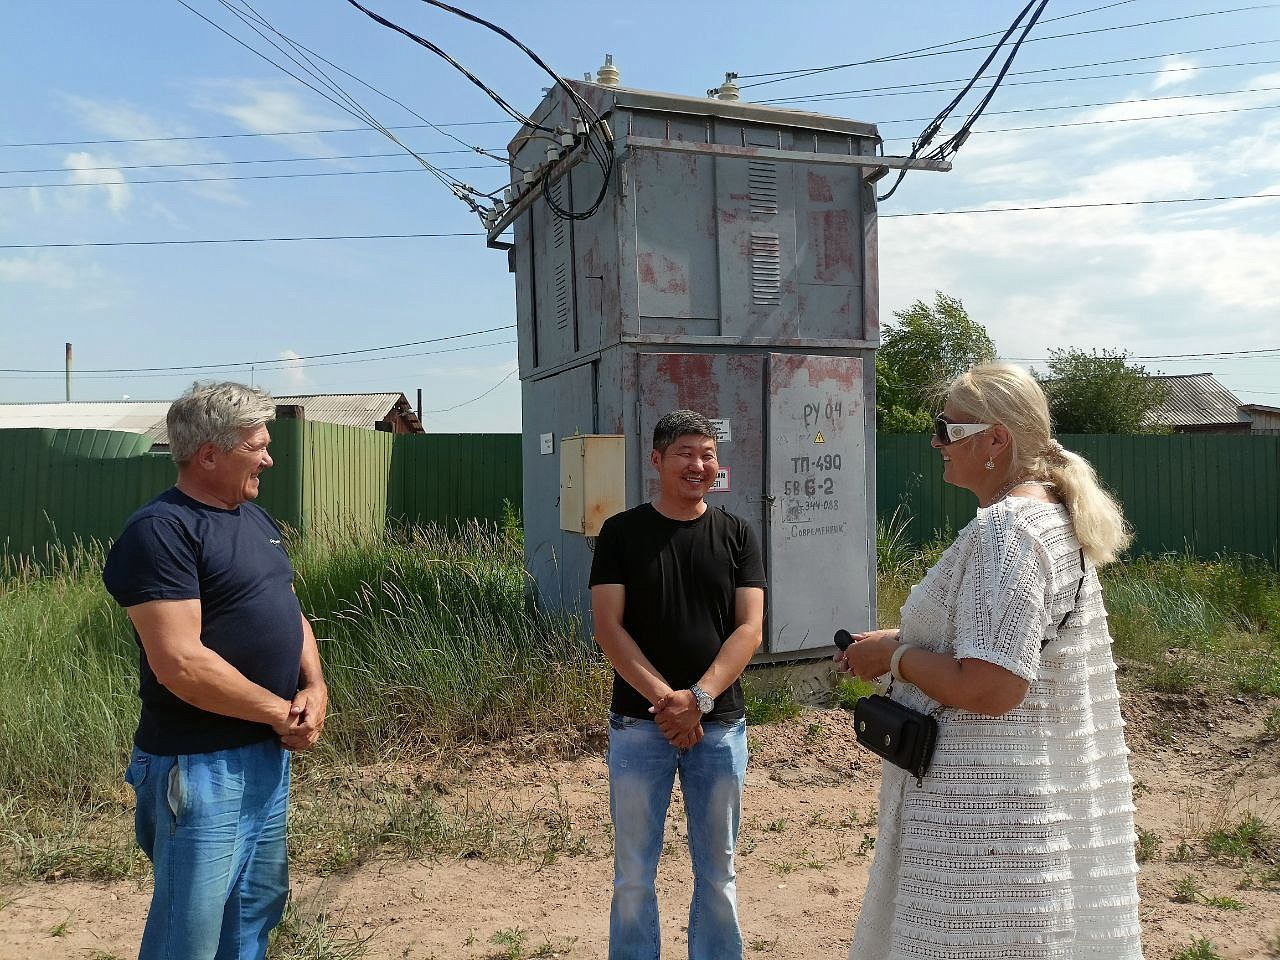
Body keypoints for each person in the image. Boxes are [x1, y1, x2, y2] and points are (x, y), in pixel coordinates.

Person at [836, 363, 1142, 960]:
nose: (935, 442)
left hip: (981, 830)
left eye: (948, 429)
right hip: (1009, 814)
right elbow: (996, 639)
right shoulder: (1047, 520)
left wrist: (895, 658)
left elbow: (993, 686)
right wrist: (898, 641)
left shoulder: (1008, 533)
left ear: (996, 439)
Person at [103, 382, 328, 960]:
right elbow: (181, 663)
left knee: (252, 916)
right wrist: (281, 712)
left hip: (264, 756)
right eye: (257, 446)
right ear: (208, 454)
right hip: (200, 768)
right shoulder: (161, 532)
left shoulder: (254, 520)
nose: (269, 458)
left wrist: (314, 686)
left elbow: (288, 608)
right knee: (189, 936)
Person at [589, 410, 767, 960]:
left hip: (718, 729)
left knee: (718, 874)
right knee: (634, 875)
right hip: (639, 728)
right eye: (686, 453)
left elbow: (749, 628)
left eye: (708, 454)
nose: (699, 465)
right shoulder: (621, 533)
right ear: (657, 461)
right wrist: (667, 701)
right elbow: (608, 628)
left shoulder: (737, 533)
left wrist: (700, 699)